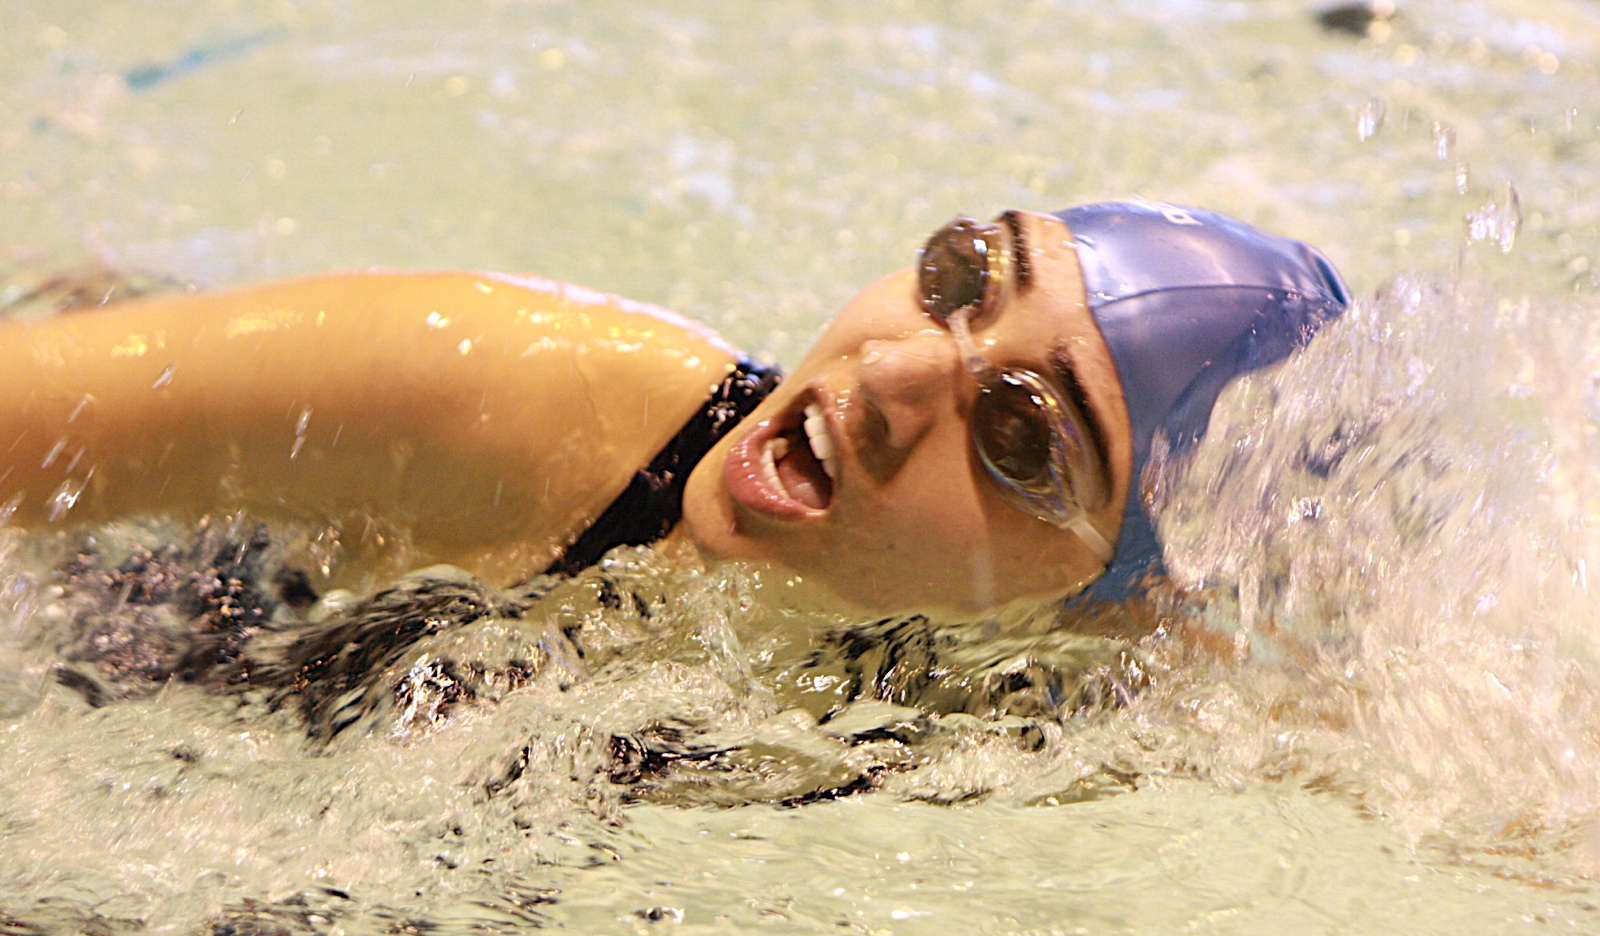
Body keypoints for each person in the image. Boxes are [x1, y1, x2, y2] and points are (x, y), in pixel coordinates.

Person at [0, 201, 1348, 616]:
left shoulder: (1071, 673)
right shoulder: (516, 393)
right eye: (959, 277)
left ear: (1100, 578)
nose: (883, 375)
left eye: (1017, 435)